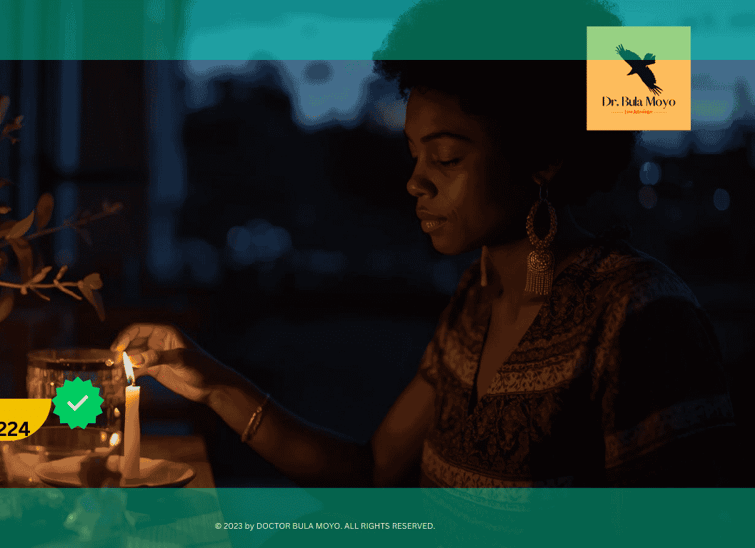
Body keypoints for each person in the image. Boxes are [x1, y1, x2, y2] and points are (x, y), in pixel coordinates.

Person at [109, 0, 736, 491]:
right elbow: (376, 472)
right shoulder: (477, 301)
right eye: (414, 155)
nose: (415, 181)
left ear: (544, 156)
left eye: (447, 156)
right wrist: (214, 382)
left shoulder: (638, 316)